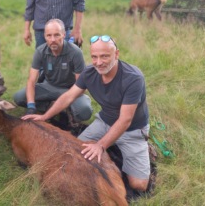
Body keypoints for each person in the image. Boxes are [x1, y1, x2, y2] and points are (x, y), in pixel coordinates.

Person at [22, 35, 151, 192]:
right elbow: (69, 96)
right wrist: (44, 116)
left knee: (139, 185)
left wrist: (100, 145)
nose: (98, 62)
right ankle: (111, 147)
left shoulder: (133, 78)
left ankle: (141, 147)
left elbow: (125, 120)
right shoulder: (90, 73)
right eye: (94, 57)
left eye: (104, 56)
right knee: (73, 155)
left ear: (116, 54)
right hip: (104, 122)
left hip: (132, 130)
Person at [14, 19, 92, 133]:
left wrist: (66, 98)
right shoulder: (40, 51)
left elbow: (81, 87)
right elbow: (31, 81)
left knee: (85, 111)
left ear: (64, 35)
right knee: (19, 97)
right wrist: (31, 107)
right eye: (49, 36)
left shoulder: (75, 52)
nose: (52, 40)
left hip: (71, 90)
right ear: (44, 36)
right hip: (49, 86)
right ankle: (56, 107)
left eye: (56, 35)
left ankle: (58, 107)